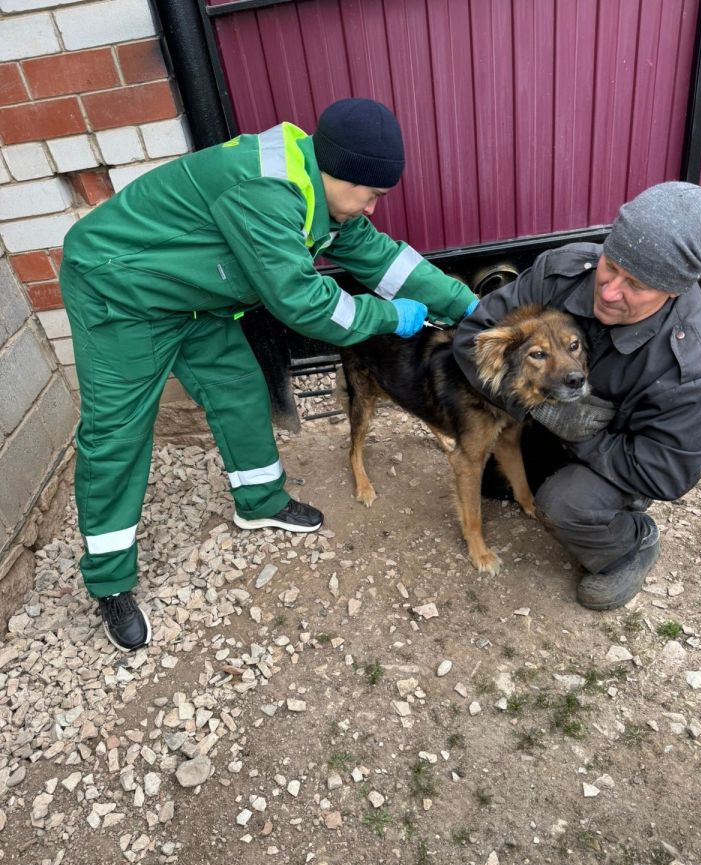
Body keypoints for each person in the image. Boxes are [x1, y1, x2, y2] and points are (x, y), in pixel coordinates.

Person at [59, 98, 480, 652]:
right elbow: (304, 304)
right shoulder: (264, 190)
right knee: (117, 432)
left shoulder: (321, 194)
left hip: (190, 296)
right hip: (119, 289)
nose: (373, 208)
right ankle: (110, 581)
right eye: (372, 194)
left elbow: (384, 260)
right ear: (339, 173)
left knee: (238, 392)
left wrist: (470, 307)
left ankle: (259, 502)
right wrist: (387, 317)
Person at [454, 181, 701, 610]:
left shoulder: (690, 367)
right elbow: (473, 339)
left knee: (565, 504)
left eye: (636, 285)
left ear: (674, 290)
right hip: (545, 421)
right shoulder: (562, 270)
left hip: (617, 451)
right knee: (493, 481)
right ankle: (547, 461)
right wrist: (536, 405)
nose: (610, 291)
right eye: (611, 266)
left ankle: (631, 544)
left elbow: (668, 472)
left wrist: (585, 436)